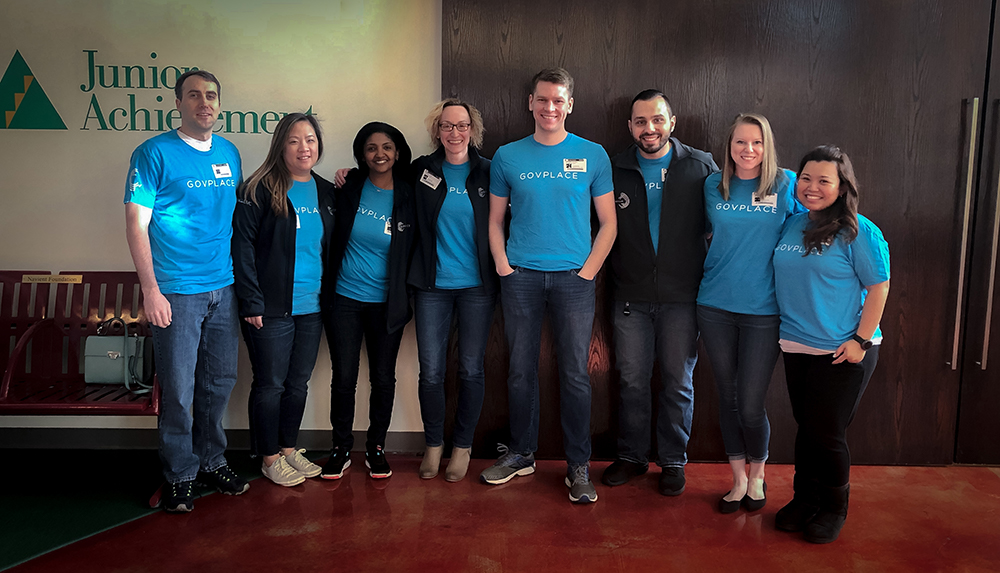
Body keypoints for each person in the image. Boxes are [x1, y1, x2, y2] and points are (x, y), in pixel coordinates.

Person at [483, 67, 617, 504]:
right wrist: (504, 266)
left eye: (558, 100)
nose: (549, 108)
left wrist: (588, 272)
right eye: (542, 99)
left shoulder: (593, 154)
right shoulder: (507, 156)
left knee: (575, 373)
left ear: (569, 105)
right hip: (519, 277)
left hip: (574, 281)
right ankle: (521, 453)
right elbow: (495, 221)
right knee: (520, 369)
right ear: (530, 103)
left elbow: (609, 224)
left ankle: (578, 465)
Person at [124, 70, 247, 512]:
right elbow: (136, 225)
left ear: (219, 103)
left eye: (211, 95)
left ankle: (212, 459)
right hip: (176, 290)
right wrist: (151, 290)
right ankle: (180, 472)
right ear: (178, 103)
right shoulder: (153, 153)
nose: (204, 102)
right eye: (193, 95)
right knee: (177, 388)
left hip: (223, 287)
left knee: (219, 382)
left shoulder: (230, 152)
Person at [601, 90, 717, 496]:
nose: (648, 129)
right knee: (631, 381)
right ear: (630, 126)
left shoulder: (701, 166)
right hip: (629, 296)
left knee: (677, 382)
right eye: (639, 121)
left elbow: (720, 227)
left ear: (672, 121)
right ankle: (632, 457)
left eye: (656, 119)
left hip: (683, 298)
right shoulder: (613, 168)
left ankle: (672, 460)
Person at [772, 144, 890, 543]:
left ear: (842, 187)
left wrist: (860, 340)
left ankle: (834, 506)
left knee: (827, 432)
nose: (812, 187)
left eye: (824, 180)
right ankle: (805, 499)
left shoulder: (858, 231)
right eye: (806, 178)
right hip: (796, 345)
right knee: (807, 428)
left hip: (842, 351)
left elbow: (879, 287)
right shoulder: (792, 224)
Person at [696, 113, 802, 513]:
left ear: (767, 145)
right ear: (730, 146)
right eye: (740, 142)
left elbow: (806, 229)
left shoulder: (787, 183)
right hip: (715, 304)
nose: (748, 150)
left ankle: (758, 475)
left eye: (757, 142)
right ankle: (738, 478)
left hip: (764, 310)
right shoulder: (713, 184)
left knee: (751, 401)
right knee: (728, 397)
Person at [233, 113, 335, 487]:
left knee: (298, 383)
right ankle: (269, 456)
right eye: (294, 140)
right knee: (270, 384)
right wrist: (251, 301)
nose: (303, 147)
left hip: (312, 306)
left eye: (310, 139)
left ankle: (289, 448)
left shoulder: (325, 191)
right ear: (280, 145)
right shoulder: (258, 189)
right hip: (271, 308)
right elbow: (241, 249)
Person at [320, 122, 415, 481]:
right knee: (343, 378)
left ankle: (376, 448)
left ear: (398, 152)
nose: (380, 154)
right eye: (372, 148)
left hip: (387, 304)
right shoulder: (348, 187)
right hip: (344, 298)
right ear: (362, 154)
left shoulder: (408, 195)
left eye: (387, 147)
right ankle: (341, 448)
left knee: (383, 378)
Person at [409, 99, 497, 482]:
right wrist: (347, 174)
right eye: (447, 126)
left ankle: (462, 446)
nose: (455, 133)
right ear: (437, 131)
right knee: (431, 372)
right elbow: (378, 178)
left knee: (471, 369)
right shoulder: (420, 171)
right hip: (431, 287)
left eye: (462, 126)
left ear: (472, 130)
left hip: (477, 287)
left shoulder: (490, 172)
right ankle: (433, 445)